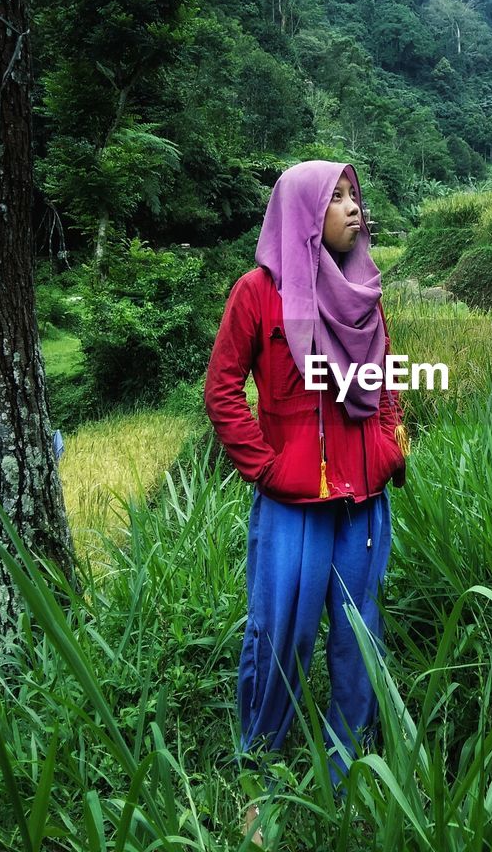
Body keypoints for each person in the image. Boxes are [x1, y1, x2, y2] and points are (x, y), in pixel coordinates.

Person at [203, 160, 410, 846]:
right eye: (339, 198)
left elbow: (386, 383)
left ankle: (347, 774)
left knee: (357, 639)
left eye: (357, 196)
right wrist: (264, 466)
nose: (356, 209)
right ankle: (257, 770)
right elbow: (223, 390)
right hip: (294, 503)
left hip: (363, 501)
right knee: (280, 633)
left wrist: (388, 447)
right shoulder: (258, 294)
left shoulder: (363, 291)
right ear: (302, 211)